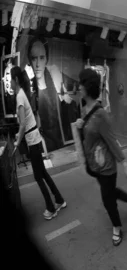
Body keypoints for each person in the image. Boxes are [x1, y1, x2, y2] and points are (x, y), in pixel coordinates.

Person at [75, 69, 127, 246]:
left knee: (107, 199)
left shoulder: (101, 114)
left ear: (88, 87)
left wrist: (125, 164)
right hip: (94, 165)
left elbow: (112, 141)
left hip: (106, 166)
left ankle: (116, 227)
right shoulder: (84, 110)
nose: (79, 87)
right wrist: (80, 126)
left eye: (81, 84)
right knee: (111, 192)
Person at [11, 66, 67, 221]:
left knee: (38, 176)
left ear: (16, 80)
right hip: (33, 138)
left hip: (33, 140)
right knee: (42, 173)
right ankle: (60, 200)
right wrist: (20, 135)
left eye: (10, 78)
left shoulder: (20, 97)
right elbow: (25, 123)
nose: (9, 81)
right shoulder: (21, 95)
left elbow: (22, 124)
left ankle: (51, 208)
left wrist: (17, 141)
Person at [28, 37, 75, 152]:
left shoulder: (54, 75)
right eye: (34, 59)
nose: (38, 64)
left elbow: (69, 102)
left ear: (47, 59)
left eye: (42, 58)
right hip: (46, 145)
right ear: (30, 61)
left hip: (63, 140)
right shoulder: (30, 87)